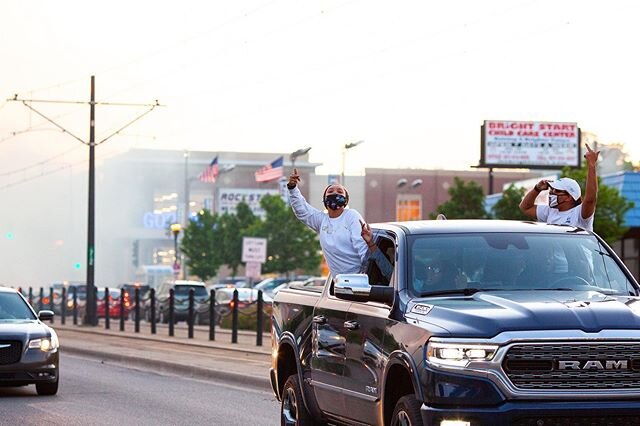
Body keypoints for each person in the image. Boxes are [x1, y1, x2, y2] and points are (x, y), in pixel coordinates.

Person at [287, 169, 392, 278]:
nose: (335, 193)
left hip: (360, 280)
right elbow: (303, 211)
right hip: (340, 284)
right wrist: (292, 188)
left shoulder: (351, 216)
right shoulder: (322, 220)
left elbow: (362, 249)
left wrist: (364, 278)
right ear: (325, 200)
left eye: (340, 192)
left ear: (345, 201)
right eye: (331, 192)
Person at [519, 143, 599, 231]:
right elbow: (525, 208)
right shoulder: (550, 211)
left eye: (556, 191)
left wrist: (591, 165)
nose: (551, 193)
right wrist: (537, 189)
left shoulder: (579, 213)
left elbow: (590, 199)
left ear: (569, 197)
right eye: (551, 190)